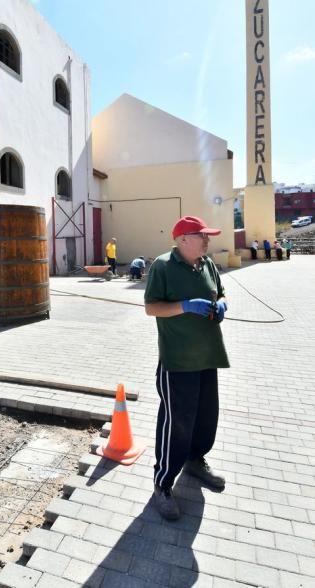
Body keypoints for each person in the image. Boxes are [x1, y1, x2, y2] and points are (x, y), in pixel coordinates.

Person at [144, 215, 229, 521]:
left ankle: (195, 460)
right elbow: (151, 307)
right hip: (177, 359)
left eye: (208, 236)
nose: (208, 240)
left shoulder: (206, 264)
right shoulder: (163, 266)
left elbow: (219, 291)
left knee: (206, 416)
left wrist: (220, 304)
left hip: (207, 355)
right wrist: (184, 306)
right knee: (176, 422)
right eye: (202, 235)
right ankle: (163, 484)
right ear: (183, 240)